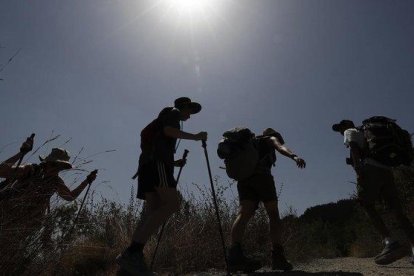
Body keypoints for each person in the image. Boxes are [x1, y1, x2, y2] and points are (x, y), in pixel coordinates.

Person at [116, 97, 208, 275]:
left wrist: (174, 163)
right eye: (190, 110)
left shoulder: (164, 117)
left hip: (146, 166)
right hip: (156, 165)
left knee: (152, 211)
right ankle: (132, 253)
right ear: (183, 107)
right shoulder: (173, 113)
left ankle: (129, 265)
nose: (190, 114)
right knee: (172, 204)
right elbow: (168, 131)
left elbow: (158, 144)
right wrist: (196, 137)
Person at [0, 137, 98, 271]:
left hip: (22, 230)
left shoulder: (55, 181)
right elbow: (2, 171)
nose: (57, 169)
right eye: (55, 165)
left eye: (61, 167)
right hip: (5, 218)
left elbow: (69, 197)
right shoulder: (30, 170)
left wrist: (86, 181)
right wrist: (22, 153)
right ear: (47, 162)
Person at [332, 119, 414, 265]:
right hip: (387, 170)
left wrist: (359, 172)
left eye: (340, 128)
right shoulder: (367, 132)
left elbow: (354, 148)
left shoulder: (350, 131)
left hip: (370, 169)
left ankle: (390, 242)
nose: (339, 131)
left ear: (346, 125)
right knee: (396, 211)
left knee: (366, 204)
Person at [227, 127, 306, 272]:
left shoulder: (248, 144)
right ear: (274, 135)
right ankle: (278, 258)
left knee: (243, 214)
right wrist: (294, 156)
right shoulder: (269, 139)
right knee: (273, 214)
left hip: (244, 180)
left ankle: (235, 256)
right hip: (262, 177)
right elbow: (280, 147)